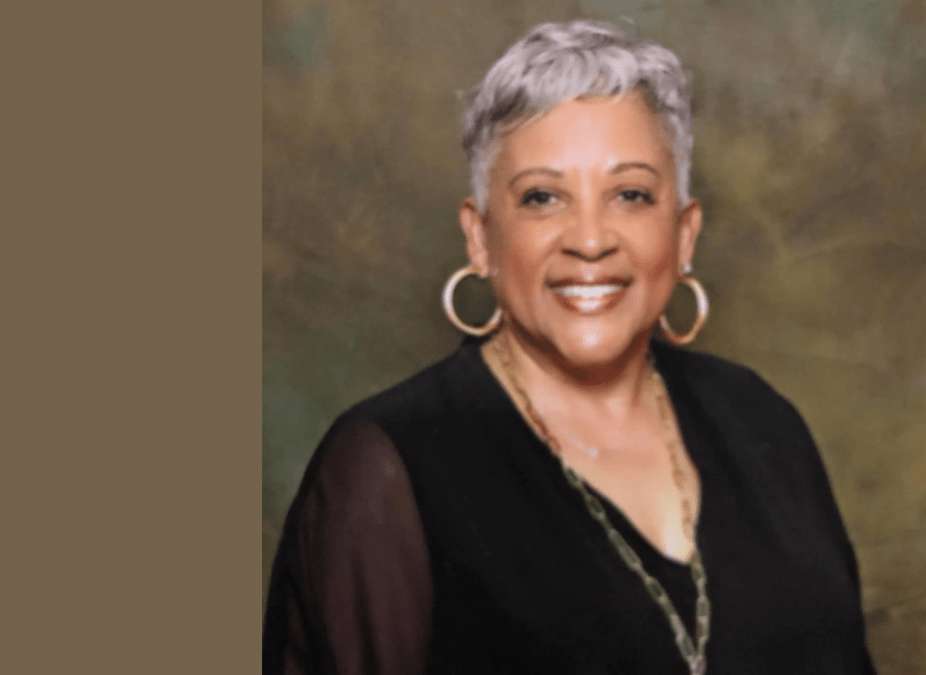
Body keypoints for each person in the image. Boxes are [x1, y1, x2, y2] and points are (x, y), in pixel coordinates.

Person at [264, 19, 875, 675]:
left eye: (630, 195)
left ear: (684, 233)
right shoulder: (383, 469)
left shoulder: (761, 423)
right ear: (480, 238)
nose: (589, 240)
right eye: (543, 197)